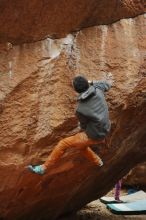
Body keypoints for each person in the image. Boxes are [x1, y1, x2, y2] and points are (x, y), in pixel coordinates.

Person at [28, 75, 113, 175]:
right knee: (81, 146)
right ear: (87, 83)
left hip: (95, 135)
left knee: (63, 144)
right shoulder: (98, 89)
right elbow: (107, 84)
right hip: (106, 128)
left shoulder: (80, 109)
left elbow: (83, 125)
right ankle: (98, 162)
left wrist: (85, 131)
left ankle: (43, 168)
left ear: (76, 90)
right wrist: (91, 82)